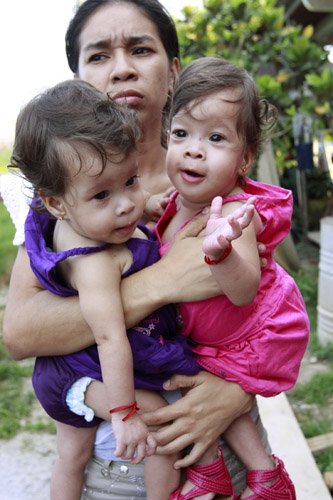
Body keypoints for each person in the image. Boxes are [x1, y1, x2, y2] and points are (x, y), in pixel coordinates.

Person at [2, 0, 268, 498]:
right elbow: (20, 333)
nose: (121, 67)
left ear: (172, 73)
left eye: (140, 49)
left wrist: (236, 388)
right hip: (117, 470)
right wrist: (164, 281)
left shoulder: (221, 176)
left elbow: (272, 308)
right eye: (99, 55)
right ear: (79, 79)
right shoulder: (58, 206)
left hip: (224, 452)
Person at [153, 56, 309, 499]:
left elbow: (242, 292)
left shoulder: (237, 212)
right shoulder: (174, 202)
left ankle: (265, 476)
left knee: (214, 387)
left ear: (246, 159)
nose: (194, 149)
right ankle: (248, 475)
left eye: (216, 138)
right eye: (181, 134)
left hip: (252, 333)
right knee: (203, 384)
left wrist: (220, 253)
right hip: (212, 340)